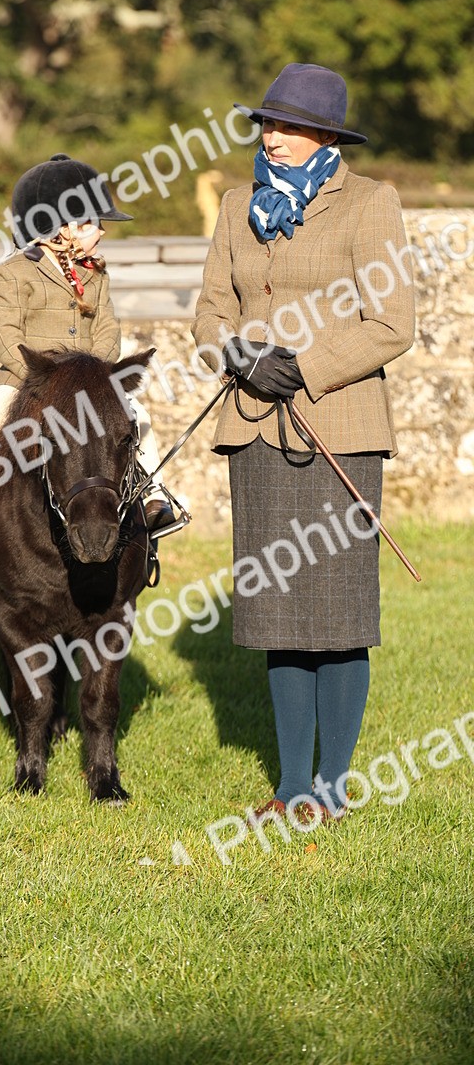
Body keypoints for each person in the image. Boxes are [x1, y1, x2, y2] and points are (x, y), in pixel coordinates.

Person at [191, 63, 415, 822]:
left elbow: (393, 323)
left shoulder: (371, 203)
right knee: (280, 618)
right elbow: (210, 312)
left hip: (340, 429)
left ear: (326, 134)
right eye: (267, 124)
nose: (272, 137)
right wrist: (238, 354)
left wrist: (304, 366)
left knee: (339, 613)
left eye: (288, 126)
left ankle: (332, 788)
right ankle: (290, 790)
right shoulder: (234, 204)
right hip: (254, 427)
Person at [0, 152, 176, 538]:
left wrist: (97, 373)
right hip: (29, 378)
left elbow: (107, 330)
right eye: (94, 224)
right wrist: (38, 376)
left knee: (136, 414)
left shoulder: (96, 274)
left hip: (88, 382)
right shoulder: (12, 272)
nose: (102, 232)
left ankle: (154, 493)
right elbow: (3, 331)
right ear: (62, 228)